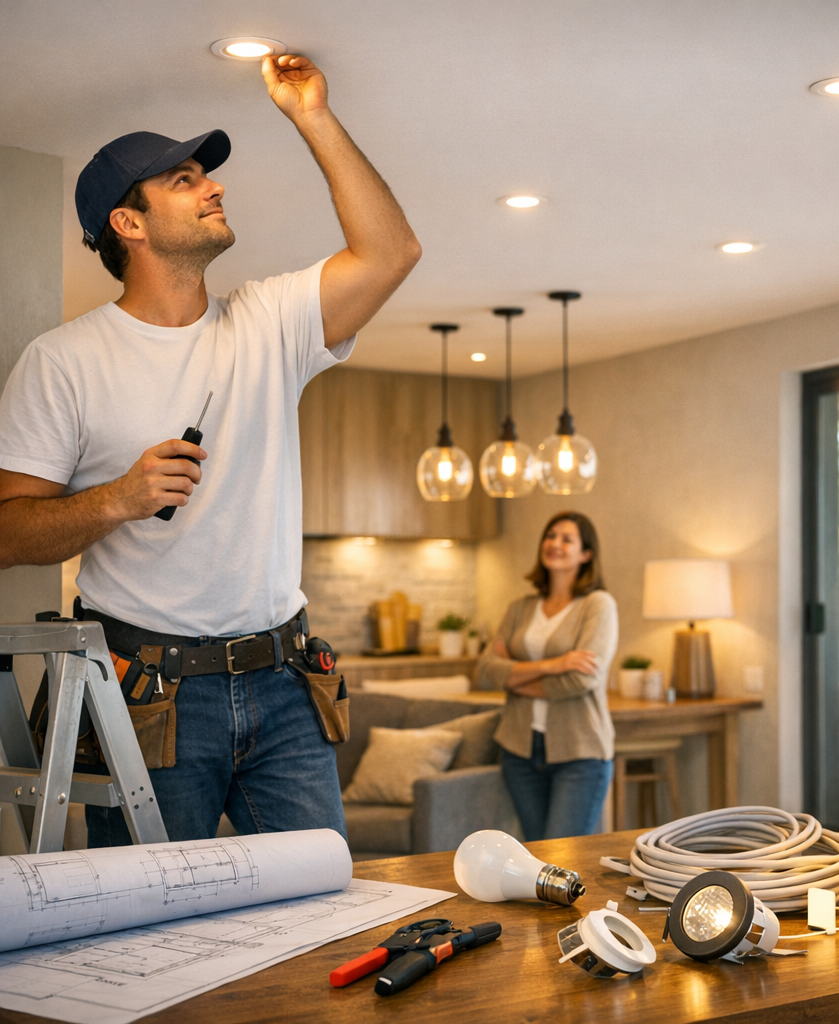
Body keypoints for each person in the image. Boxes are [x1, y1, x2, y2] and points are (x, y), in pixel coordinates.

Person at [0, 53, 421, 847]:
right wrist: (119, 498)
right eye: (183, 180)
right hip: (150, 701)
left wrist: (313, 119)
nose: (213, 187)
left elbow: (392, 252)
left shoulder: (268, 321)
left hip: (289, 683)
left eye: (206, 174)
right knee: (152, 941)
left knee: (317, 914)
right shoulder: (63, 361)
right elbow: (7, 532)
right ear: (128, 223)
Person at [477, 511, 618, 840]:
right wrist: (554, 664)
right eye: (550, 535)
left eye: (567, 539)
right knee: (536, 861)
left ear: (586, 554)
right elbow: (485, 671)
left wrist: (515, 677)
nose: (555, 543)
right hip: (519, 751)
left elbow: (581, 680)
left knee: (563, 862)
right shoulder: (520, 608)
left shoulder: (598, 605)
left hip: (580, 754)